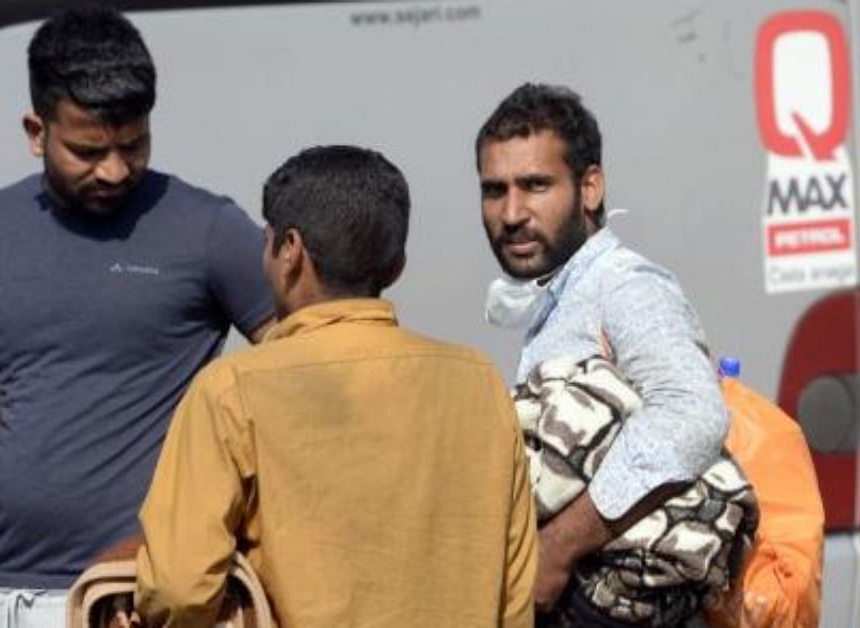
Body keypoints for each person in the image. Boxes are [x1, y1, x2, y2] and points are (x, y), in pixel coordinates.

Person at [0, 7, 274, 624]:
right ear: (36, 132)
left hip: (134, 598)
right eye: (89, 151)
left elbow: (299, 370)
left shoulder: (209, 230)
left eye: (133, 145)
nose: (115, 170)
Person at [136, 145, 538, 627]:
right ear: (396, 266)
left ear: (290, 250)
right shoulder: (479, 383)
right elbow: (515, 597)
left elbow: (178, 590)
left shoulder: (230, 391)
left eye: (267, 243)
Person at [475, 83, 729, 612]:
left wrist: (559, 548)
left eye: (535, 185)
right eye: (495, 190)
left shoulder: (625, 287)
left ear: (589, 188)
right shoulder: (560, 293)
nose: (512, 212)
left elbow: (692, 415)